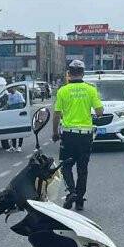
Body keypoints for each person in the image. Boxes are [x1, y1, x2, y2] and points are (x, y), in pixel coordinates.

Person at [52, 60, 103, 211]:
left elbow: (56, 114)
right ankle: (79, 200)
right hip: (85, 135)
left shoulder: (63, 91)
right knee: (82, 168)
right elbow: (99, 112)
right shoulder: (90, 89)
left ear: (69, 73)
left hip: (68, 135)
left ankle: (71, 192)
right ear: (83, 73)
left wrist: (55, 132)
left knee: (66, 166)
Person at [2, 86, 27, 152]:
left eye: (9, 89)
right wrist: (3, 109)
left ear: (12, 88)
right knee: (13, 131)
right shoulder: (9, 95)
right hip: (11, 116)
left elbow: (22, 104)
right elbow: (8, 104)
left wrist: (16, 109)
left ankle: (19, 146)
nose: (8, 90)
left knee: (20, 131)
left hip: (18, 116)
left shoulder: (18, 94)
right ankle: (13, 146)